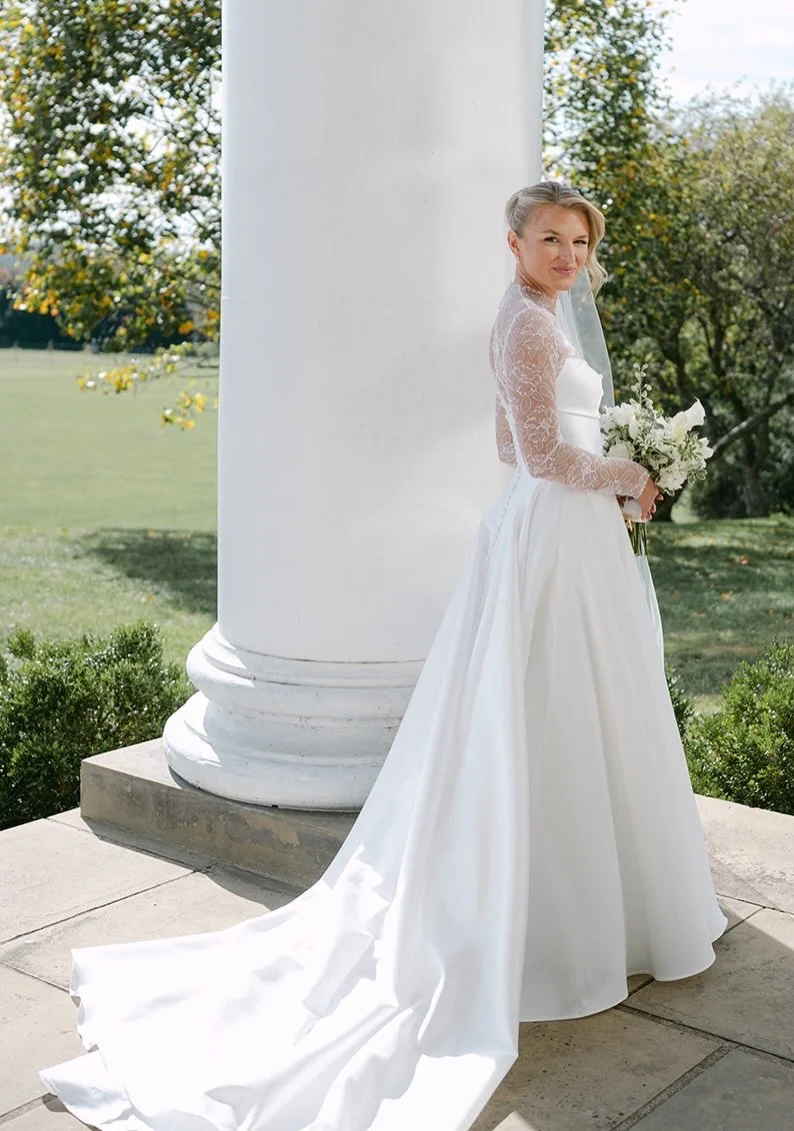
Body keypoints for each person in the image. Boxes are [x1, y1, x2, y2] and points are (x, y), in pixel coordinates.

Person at [39, 181, 729, 1131]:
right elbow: (536, 456)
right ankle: (563, 927)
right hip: (552, 532)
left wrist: (603, 476)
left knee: (578, 710)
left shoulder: (540, 312)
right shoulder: (528, 325)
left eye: (578, 239)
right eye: (550, 238)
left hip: (566, 537)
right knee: (555, 712)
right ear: (513, 240)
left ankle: (598, 908)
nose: (568, 254)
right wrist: (629, 471)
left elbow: (504, 437)